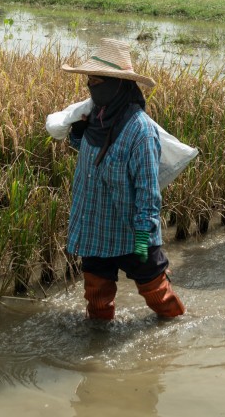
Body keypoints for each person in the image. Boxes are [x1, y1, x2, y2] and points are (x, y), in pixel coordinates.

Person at [61, 38, 185, 321]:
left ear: (117, 85)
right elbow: (95, 159)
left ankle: (178, 331)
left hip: (131, 233)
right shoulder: (93, 117)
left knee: (158, 295)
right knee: (97, 297)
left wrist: (143, 239)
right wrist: (78, 134)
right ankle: (99, 338)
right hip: (95, 227)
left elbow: (148, 193)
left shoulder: (140, 131)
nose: (90, 85)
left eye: (96, 80)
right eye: (89, 79)